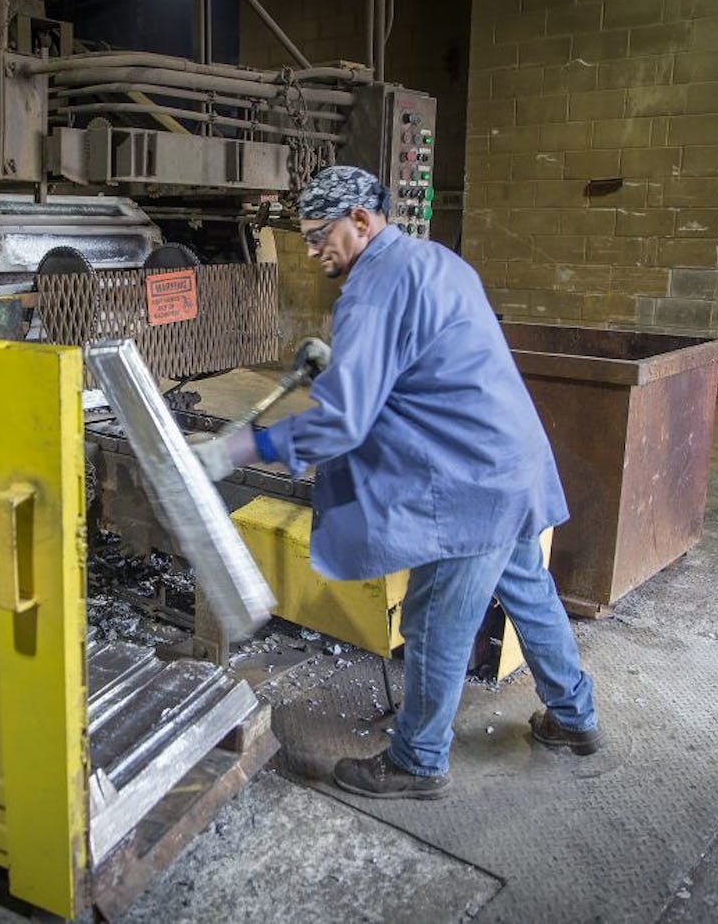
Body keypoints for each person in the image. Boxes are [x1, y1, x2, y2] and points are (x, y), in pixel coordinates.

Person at [190, 165, 601, 800]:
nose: (311, 248)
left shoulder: (372, 287)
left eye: (320, 233)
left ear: (361, 218)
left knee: (434, 620)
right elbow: (418, 364)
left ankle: (418, 762)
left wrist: (246, 445)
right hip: (509, 466)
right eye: (302, 236)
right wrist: (344, 368)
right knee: (528, 592)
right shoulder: (434, 261)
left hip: (471, 485)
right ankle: (574, 719)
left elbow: (345, 423)